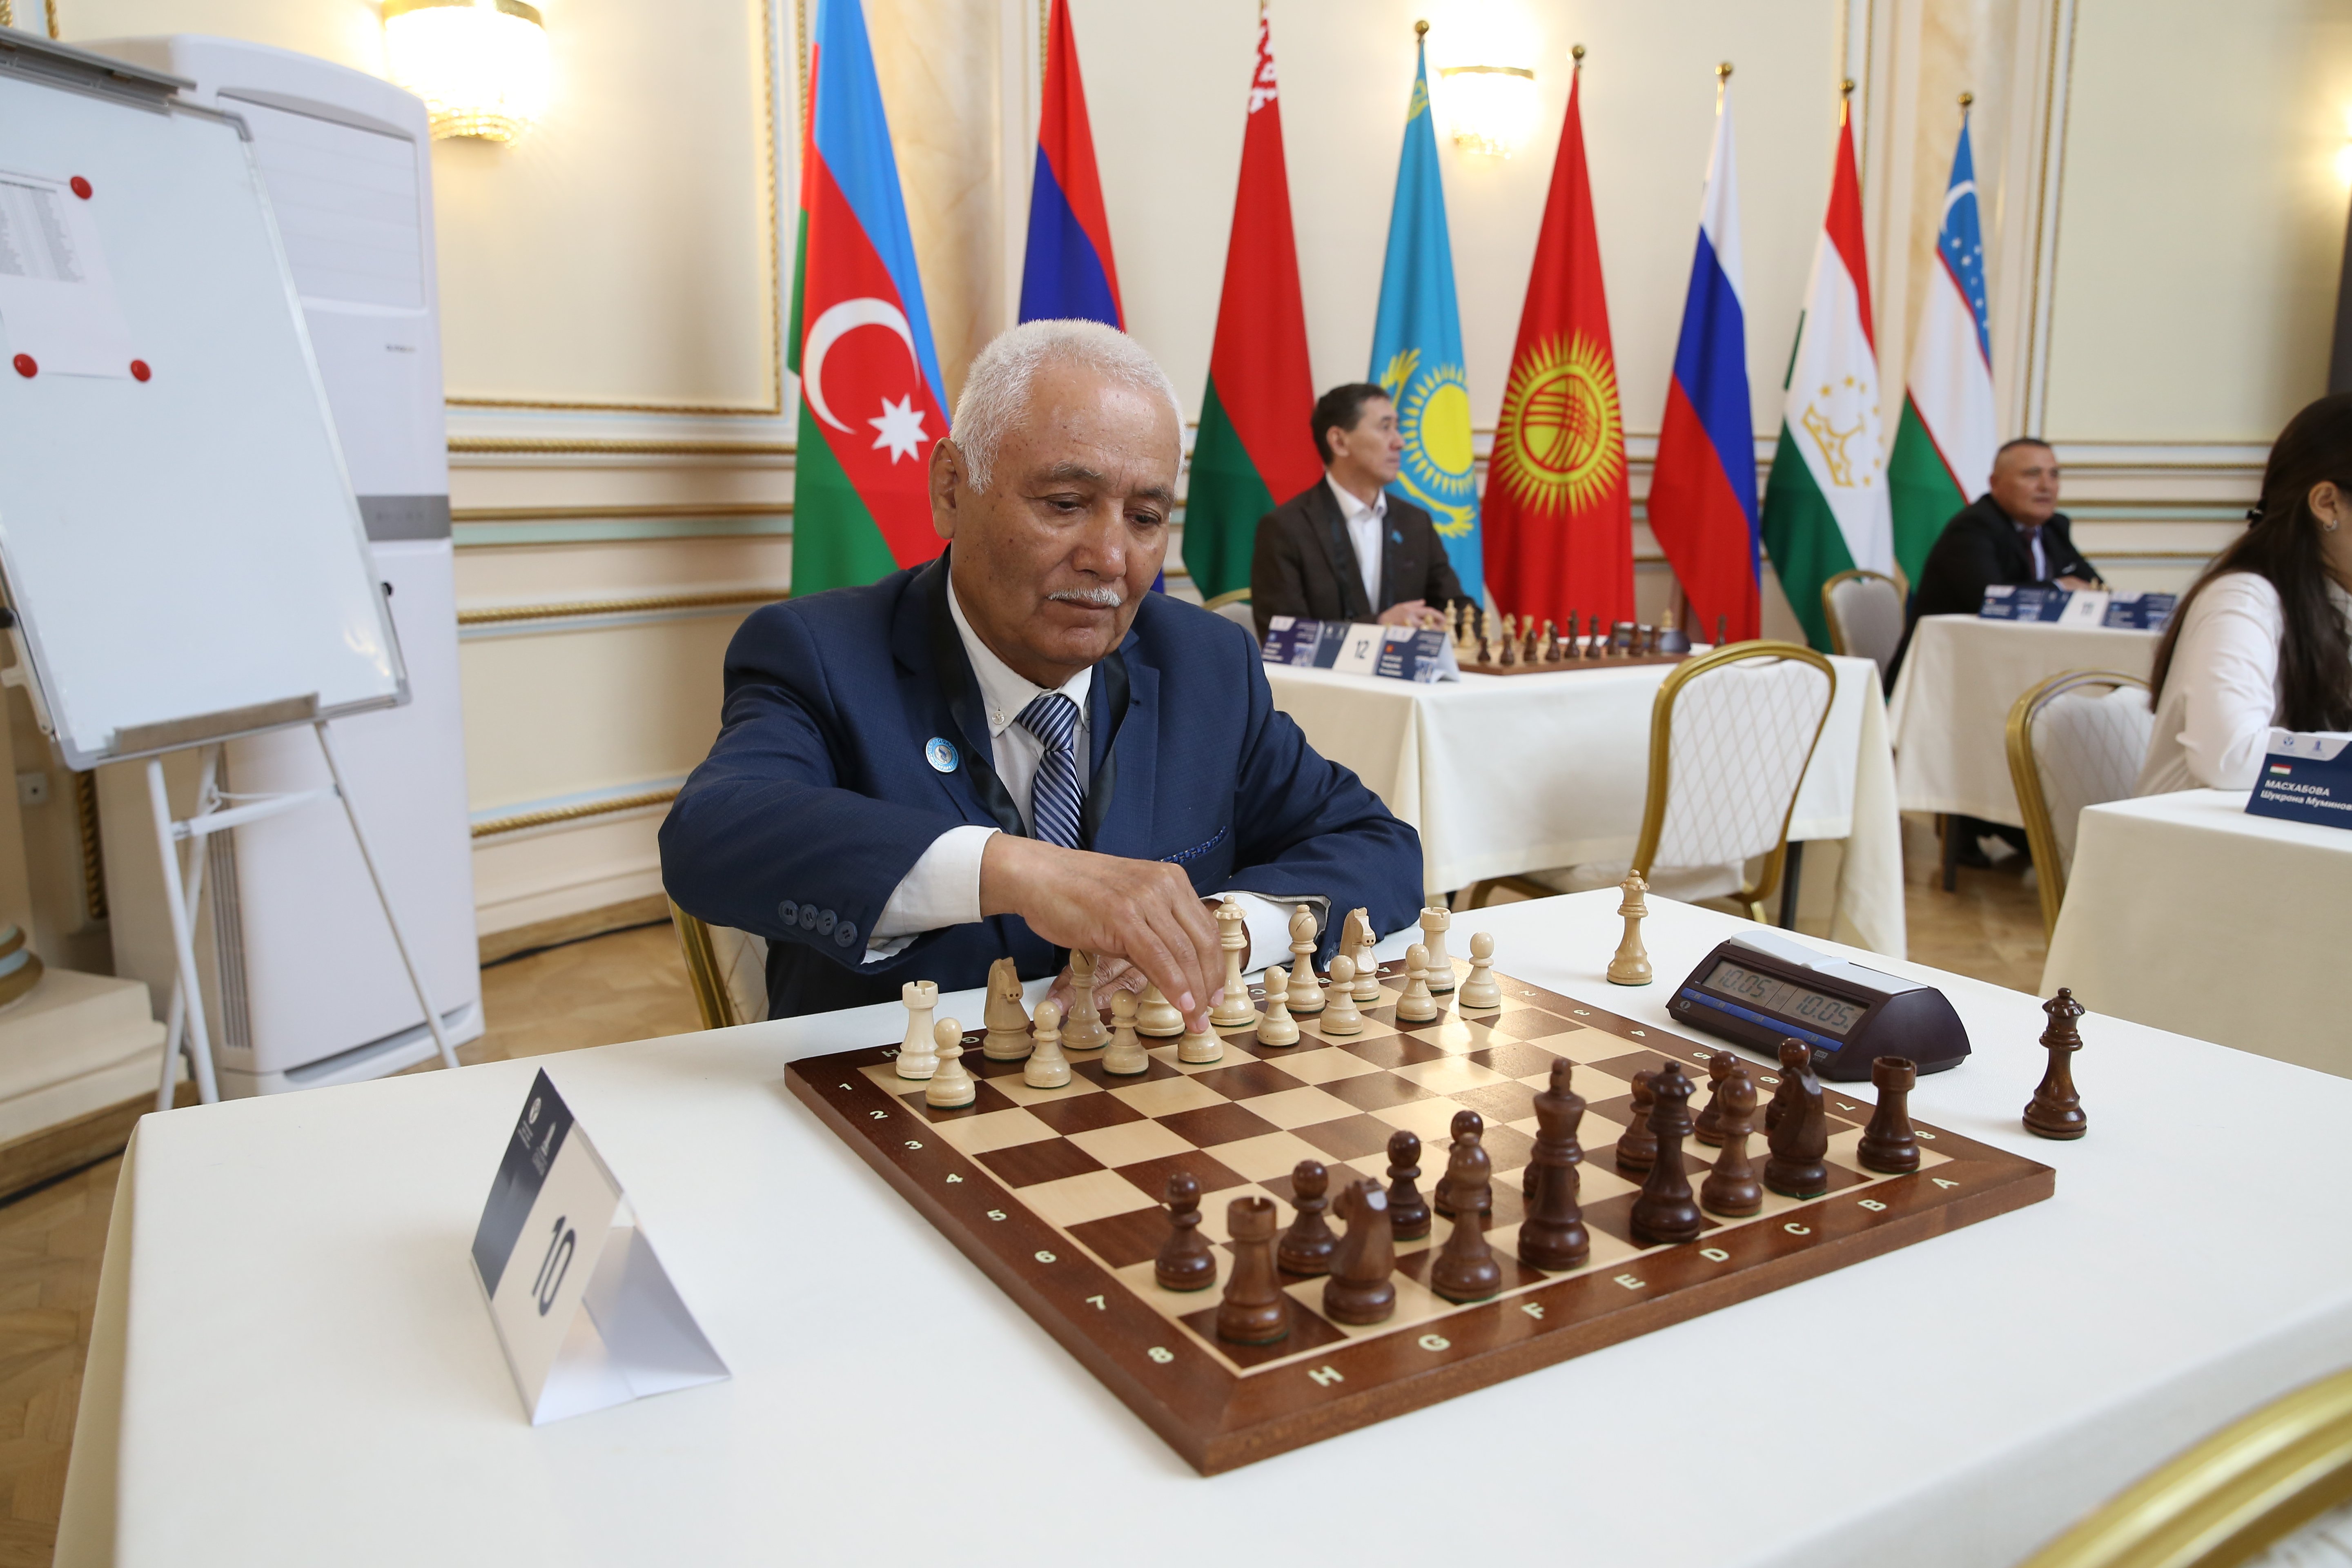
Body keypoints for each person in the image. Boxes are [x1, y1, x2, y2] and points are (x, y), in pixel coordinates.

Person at [660, 321, 1425, 1026]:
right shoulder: (821, 653)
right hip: (901, 1099)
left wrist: (1223, 929)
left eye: (1146, 519)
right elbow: (711, 835)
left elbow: (1378, 845)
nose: (1111, 558)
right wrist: (1020, 871)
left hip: (1153, 1099)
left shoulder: (1205, 662)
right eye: (1065, 503)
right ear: (952, 489)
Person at [1897, 437, 2104, 866]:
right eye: (2032, 474)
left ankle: (2023, 818)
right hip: (1956, 679)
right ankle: (1983, 817)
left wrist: (2071, 588)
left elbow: (2093, 587)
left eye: (2054, 474)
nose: (2046, 486)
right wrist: (2057, 587)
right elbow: (1989, 597)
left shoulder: (2054, 528)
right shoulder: (1973, 528)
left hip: (2022, 666)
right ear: (1995, 483)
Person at [2138, 393, 2352, 795]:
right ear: (2327, 504)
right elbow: (2230, 757)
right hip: (2195, 831)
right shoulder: (2243, 599)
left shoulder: (2337, 596)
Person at [1248, 382, 1465, 640]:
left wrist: (1449, 626)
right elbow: (1284, 638)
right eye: (1385, 428)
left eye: (1397, 428)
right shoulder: (1286, 528)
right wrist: (1379, 626)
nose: (1400, 442)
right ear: (1339, 442)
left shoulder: (1415, 522)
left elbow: (1457, 608)